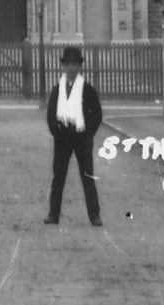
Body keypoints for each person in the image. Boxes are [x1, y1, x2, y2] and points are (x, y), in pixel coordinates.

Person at [44, 45, 103, 226]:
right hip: (63, 138)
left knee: (87, 176)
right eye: (68, 64)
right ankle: (53, 214)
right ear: (63, 66)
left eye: (74, 64)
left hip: (81, 137)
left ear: (79, 67)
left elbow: (97, 114)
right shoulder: (57, 89)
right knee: (59, 176)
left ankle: (94, 215)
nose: (71, 68)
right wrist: (58, 133)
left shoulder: (87, 90)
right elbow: (51, 115)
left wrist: (88, 134)